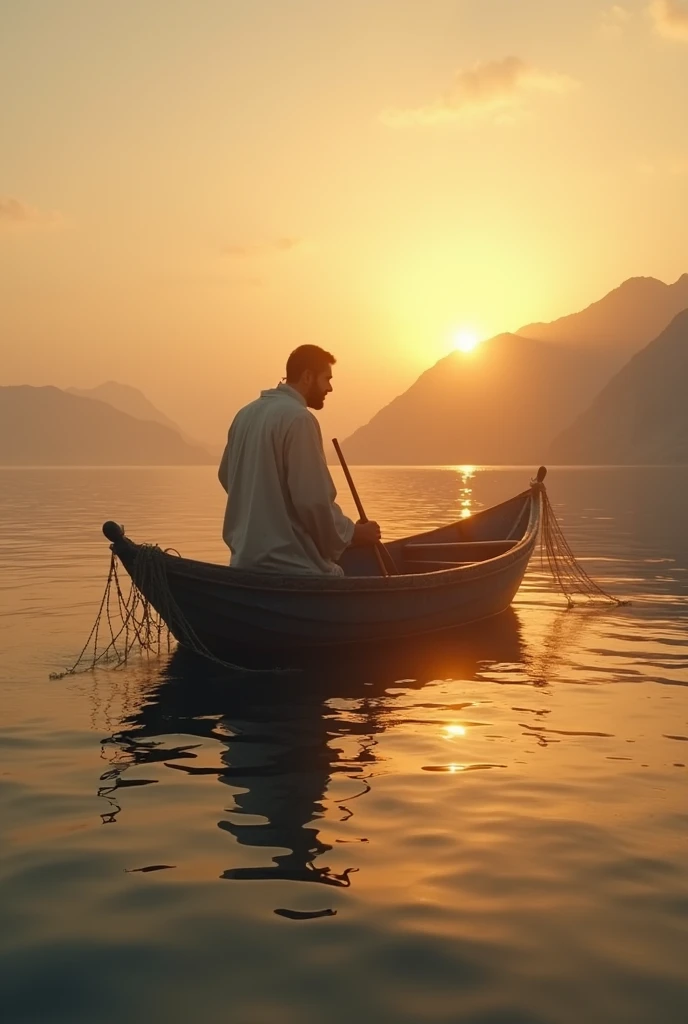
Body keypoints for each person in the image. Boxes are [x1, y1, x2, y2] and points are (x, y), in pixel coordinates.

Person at [218, 345, 381, 575]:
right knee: (336, 574)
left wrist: (264, 509)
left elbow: (227, 477)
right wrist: (353, 533)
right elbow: (312, 501)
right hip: (292, 567)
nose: (330, 388)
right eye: (327, 379)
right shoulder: (299, 419)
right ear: (307, 376)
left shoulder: (244, 415)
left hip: (243, 564)